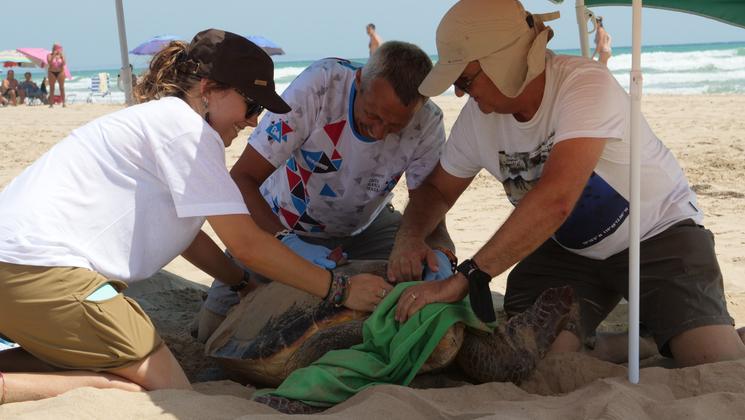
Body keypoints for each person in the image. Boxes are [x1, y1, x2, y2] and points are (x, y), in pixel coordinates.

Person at [0, 29, 391, 405]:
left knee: (119, 369)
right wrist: (338, 290)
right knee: (166, 390)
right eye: (251, 104)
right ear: (208, 90)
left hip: (20, 274)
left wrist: (240, 284)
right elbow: (248, 244)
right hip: (44, 274)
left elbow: (189, 236)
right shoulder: (187, 132)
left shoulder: (164, 122)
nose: (254, 120)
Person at [388, 0, 745, 368]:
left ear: (503, 59)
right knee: (536, 357)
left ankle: (686, 331)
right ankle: (643, 342)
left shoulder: (585, 83)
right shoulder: (478, 120)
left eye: (465, 79)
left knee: (712, 360)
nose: (460, 94)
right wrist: (410, 237)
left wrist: (465, 279)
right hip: (568, 251)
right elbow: (436, 190)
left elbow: (556, 199)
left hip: (656, 234)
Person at [196, 40, 454, 342]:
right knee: (213, 334)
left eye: (395, 125)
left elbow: (429, 200)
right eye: (373, 115)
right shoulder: (320, 86)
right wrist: (286, 242)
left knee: (426, 293)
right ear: (358, 81)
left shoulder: (428, 121)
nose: (380, 132)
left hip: (366, 227)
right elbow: (242, 178)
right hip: (279, 219)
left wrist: (437, 251)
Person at [46, 43, 67, 107]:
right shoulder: (49, 55)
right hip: (52, 72)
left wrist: (62, 57)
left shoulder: (62, 55)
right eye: (55, 48)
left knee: (62, 88)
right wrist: (54, 55)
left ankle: (63, 103)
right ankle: (51, 104)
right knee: (52, 88)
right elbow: (49, 63)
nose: (57, 49)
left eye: (58, 48)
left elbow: (64, 63)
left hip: (60, 72)